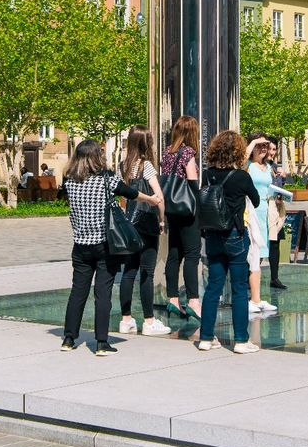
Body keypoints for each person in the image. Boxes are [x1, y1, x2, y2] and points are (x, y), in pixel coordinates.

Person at [60, 139, 162, 356]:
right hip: (104, 245)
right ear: (98, 156)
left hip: (80, 245)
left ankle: (68, 338)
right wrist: (151, 200)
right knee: (102, 293)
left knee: (78, 291)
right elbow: (130, 193)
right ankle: (101, 342)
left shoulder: (68, 180)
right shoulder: (107, 179)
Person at [199, 130, 263, 353]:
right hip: (235, 234)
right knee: (239, 289)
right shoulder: (241, 176)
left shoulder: (208, 175)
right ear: (238, 152)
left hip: (213, 235)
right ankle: (241, 341)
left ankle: (206, 338)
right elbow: (255, 200)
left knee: (213, 287)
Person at [117, 125, 171, 337]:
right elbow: (159, 197)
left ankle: (126, 319)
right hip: (146, 223)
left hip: (128, 223)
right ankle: (149, 321)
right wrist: (161, 220)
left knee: (129, 272)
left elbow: (123, 196)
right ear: (145, 142)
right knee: (147, 272)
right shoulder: (146, 165)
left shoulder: (123, 165)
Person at [160, 115, 202, 320]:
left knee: (174, 254)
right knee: (193, 255)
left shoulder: (167, 152)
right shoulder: (188, 153)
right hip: (187, 210)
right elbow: (193, 184)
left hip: (171, 209)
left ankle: (173, 299)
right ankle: (194, 301)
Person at [246, 132, 279, 314]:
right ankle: (250, 296)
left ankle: (256, 297)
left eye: (266, 145)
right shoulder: (248, 165)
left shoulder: (267, 166)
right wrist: (253, 144)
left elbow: (267, 188)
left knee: (258, 257)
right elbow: (241, 160)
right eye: (260, 145)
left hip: (264, 211)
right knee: (251, 255)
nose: (264, 148)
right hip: (250, 213)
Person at [267, 138, 288, 290]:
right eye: (270, 149)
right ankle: (250, 278)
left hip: (276, 208)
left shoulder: (275, 167)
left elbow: (278, 186)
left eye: (275, 150)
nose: (272, 152)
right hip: (265, 209)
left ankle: (274, 277)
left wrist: (283, 180)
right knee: (262, 244)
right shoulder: (260, 166)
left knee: (275, 244)